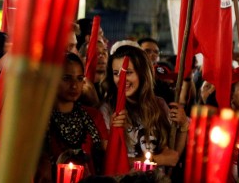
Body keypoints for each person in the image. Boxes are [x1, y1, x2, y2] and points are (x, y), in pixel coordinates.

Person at [107, 45, 187, 167]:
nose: (121, 79)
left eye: (128, 73)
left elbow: (172, 156)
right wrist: (159, 160)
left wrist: (183, 125)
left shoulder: (159, 105)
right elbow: (110, 163)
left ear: (142, 73)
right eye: (116, 73)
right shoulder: (107, 109)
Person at [36, 53, 108, 182]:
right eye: (66, 78)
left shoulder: (93, 116)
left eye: (79, 78)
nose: (74, 85)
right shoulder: (39, 118)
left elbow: (106, 158)